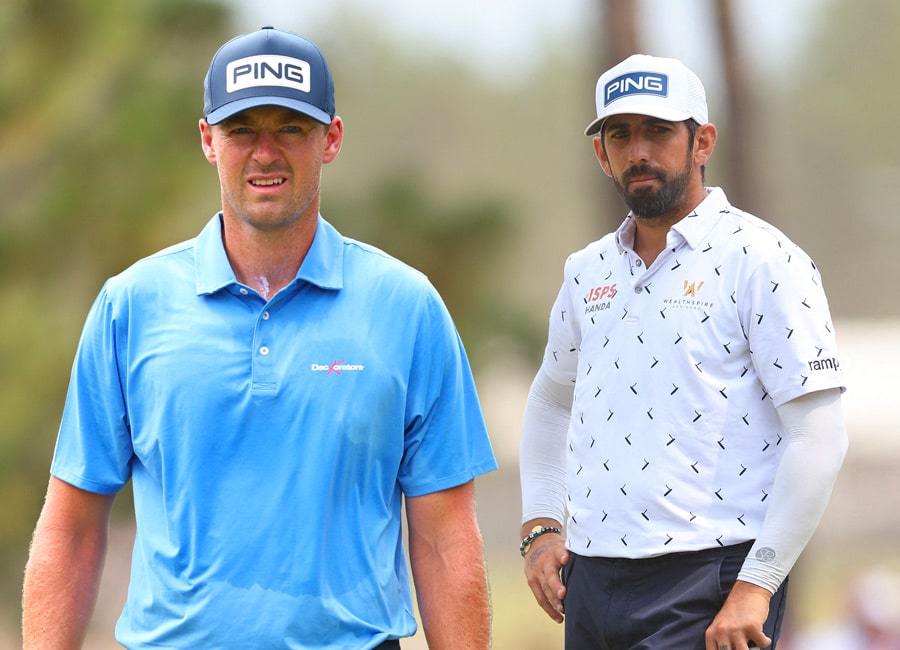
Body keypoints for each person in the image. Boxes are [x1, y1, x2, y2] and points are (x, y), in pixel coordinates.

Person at [22, 26, 497, 649]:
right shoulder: (129, 307)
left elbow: (443, 538)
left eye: (291, 129)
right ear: (208, 141)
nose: (265, 152)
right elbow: (72, 529)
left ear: (331, 139)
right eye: (243, 129)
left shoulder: (406, 308)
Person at [518, 53, 848, 650]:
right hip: (590, 581)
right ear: (602, 154)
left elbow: (819, 433)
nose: (639, 150)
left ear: (703, 143)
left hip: (712, 579)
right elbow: (549, 399)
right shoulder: (586, 270)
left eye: (659, 131)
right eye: (620, 135)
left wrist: (758, 584)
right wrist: (541, 526)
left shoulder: (763, 259)